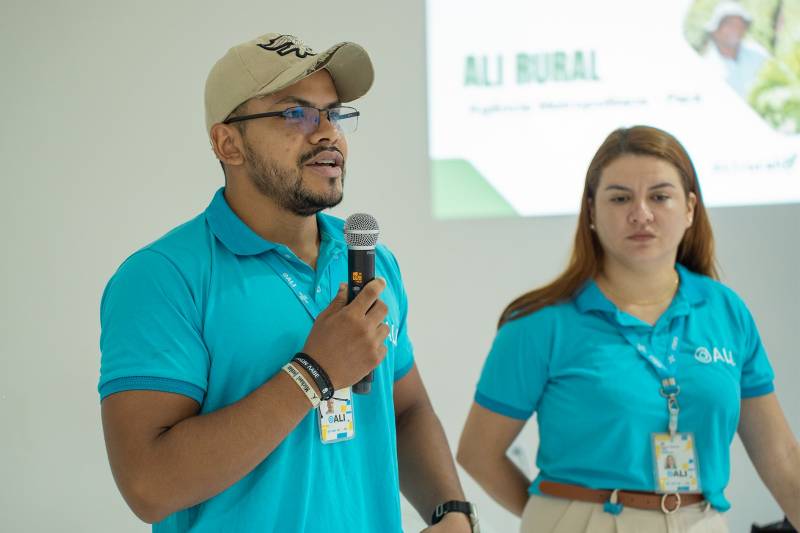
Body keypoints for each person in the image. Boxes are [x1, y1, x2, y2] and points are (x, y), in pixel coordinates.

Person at [98, 33, 477, 533]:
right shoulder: (162, 278)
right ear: (228, 143)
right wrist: (314, 372)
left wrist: (452, 511)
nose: (328, 134)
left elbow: (406, 410)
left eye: (333, 114)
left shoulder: (370, 261)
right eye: (296, 114)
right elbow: (148, 486)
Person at [457, 125, 800, 532]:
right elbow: (478, 453)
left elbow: (780, 456)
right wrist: (556, 517)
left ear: (690, 208)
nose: (641, 213)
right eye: (620, 198)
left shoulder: (725, 311)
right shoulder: (540, 323)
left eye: (660, 196)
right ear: (591, 211)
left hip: (701, 521)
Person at [702, 1, 770, 99]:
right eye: (730, 24)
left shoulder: (758, 55)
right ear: (715, 31)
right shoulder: (707, 66)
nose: (736, 29)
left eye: (740, 25)